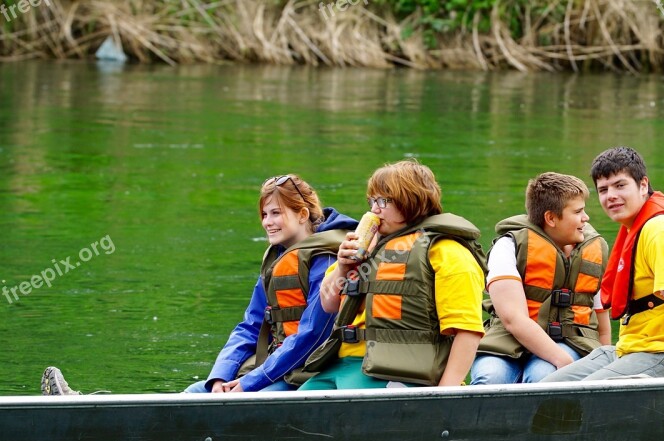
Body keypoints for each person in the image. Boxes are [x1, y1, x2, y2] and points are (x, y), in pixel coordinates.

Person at [41, 174, 357, 396]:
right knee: (196, 392)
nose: (267, 222)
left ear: (302, 214)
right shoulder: (277, 259)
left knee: (234, 401)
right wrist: (219, 375)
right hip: (272, 364)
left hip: (304, 370)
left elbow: (312, 334)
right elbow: (249, 326)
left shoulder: (327, 261)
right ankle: (89, 404)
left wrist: (250, 383)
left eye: (276, 213)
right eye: (263, 214)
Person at [295, 159, 487, 390]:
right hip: (342, 365)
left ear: (411, 200)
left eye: (383, 201)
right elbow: (328, 304)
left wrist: (445, 394)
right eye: (371, 201)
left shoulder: (447, 251)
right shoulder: (367, 248)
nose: (374, 209)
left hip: (400, 371)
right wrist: (343, 267)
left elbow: (467, 331)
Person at [540, 147, 664, 382]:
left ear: (643, 185)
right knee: (546, 390)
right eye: (603, 190)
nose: (611, 196)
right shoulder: (634, 229)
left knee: (577, 397)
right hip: (631, 349)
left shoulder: (662, 232)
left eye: (620, 185)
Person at [470, 172, 610, 385]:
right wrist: (560, 359)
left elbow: (602, 324)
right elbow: (512, 319)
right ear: (551, 218)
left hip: (571, 340)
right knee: (490, 377)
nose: (586, 218)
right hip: (508, 339)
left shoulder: (592, 251)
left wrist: (604, 371)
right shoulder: (509, 246)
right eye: (578, 211)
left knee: (542, 376)